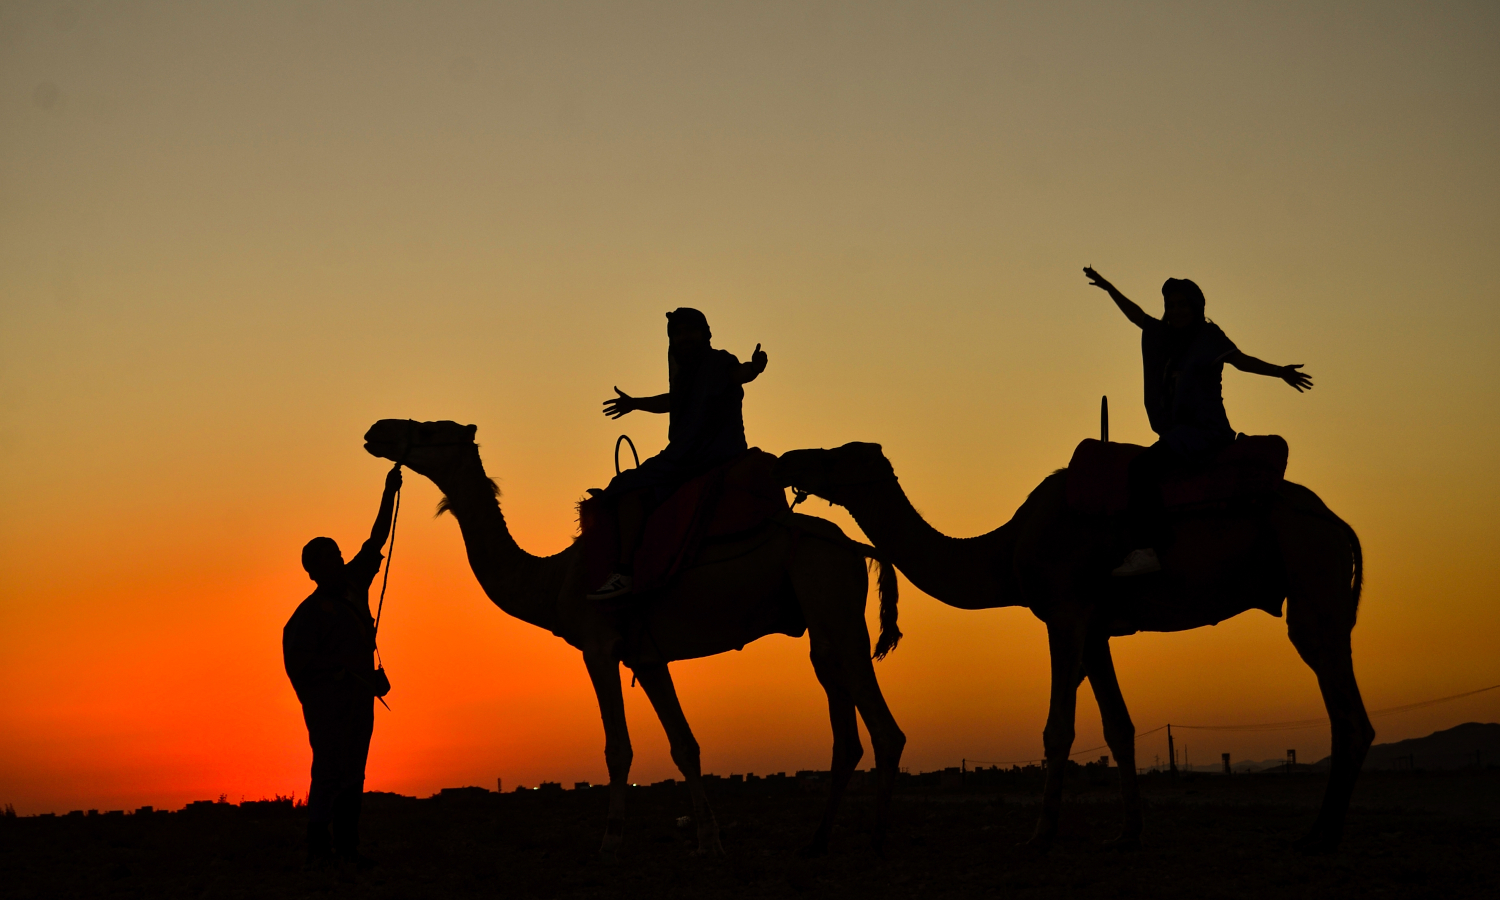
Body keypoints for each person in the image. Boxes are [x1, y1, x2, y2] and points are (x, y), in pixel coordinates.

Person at [1083, 267, 1313, 576]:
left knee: (1141, 469)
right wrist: (1109, 288)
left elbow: (1240, 360)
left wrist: (1279, 371)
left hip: (1204, 433)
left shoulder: (1209, 338)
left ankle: (1150, 549)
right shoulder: (1164, 337)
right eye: (1171, 305)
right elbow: (1137, 316)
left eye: (1183, 305)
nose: (1176, 311)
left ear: (1195, 308)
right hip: (1179, 433)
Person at [589, 308, 768, 600]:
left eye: (690, 331)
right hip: (684, 454)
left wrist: (754, 369)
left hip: (700, 457)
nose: (684, 338)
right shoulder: (685, 372)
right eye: (677, 333)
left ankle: (624, 572)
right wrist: (635, 403)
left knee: (625, 489)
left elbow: (738, 374)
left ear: (705, 334)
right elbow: (675, 402)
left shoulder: (719, 362)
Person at [282, 463, 401, 867]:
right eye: (329, 558)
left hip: (359, 701)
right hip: (329, 707)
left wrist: (389, 492)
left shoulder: (354, 583)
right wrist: (333, 678)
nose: (337, 561)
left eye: (337, 554)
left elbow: (377, 537)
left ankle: (347, 846)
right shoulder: (306, 617)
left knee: (355, 771)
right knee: (329, 770)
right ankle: (318, 845)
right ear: (313, 572)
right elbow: (299, 668)